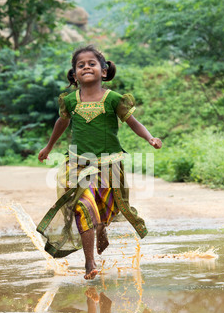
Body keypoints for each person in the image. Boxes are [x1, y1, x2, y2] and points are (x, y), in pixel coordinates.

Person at [37, 45, 162, 280]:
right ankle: (89, 263)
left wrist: (149, 138)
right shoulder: (70, 100)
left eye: (91, 63)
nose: (86, 67)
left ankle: (102, 229)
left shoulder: (113, 99)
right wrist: (48, 147)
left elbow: (133, 122)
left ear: (103, 71)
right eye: (80, 65)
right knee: (83, 207)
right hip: (77, 164)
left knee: (103, 208)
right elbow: (61, 124)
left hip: (109, 164)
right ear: (74, 74)